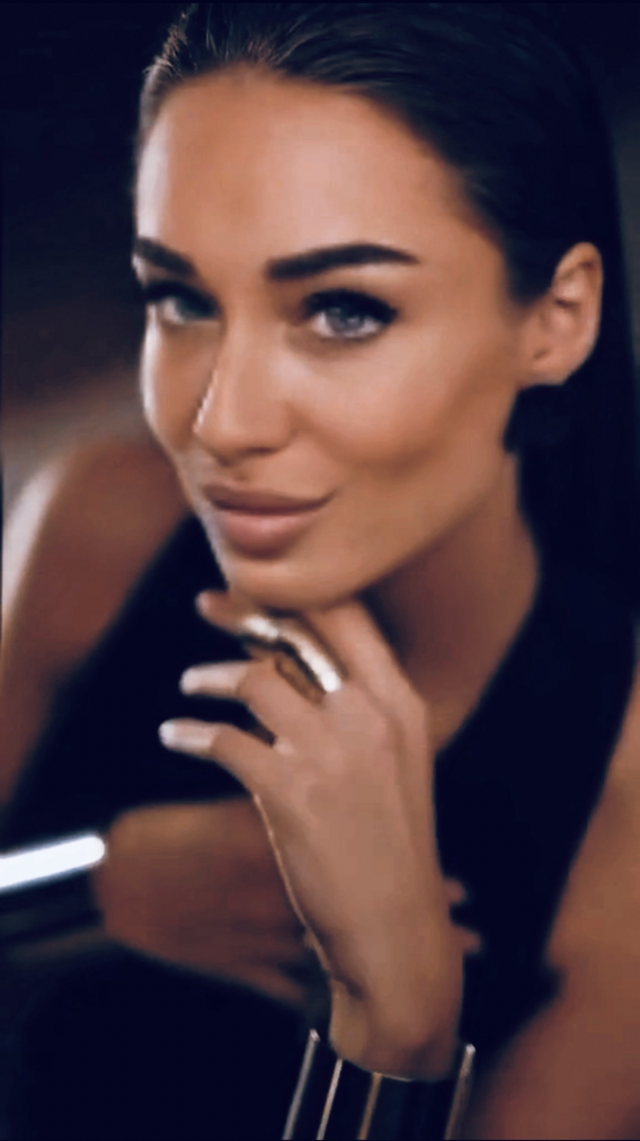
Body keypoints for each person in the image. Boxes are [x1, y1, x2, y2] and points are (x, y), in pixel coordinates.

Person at [2, 3, 640, 1137]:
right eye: (181, 298)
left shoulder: (622, 819)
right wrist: (89, 885)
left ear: (557, 319)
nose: (219, 420)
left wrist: (397, 1026)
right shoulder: (100, 534)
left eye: (344, 310)